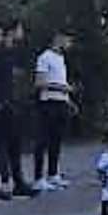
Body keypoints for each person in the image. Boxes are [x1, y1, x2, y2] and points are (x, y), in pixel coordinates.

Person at [0, 23, 33, 200]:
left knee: (13, 146)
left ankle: (17, 183)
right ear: (12, 32)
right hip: (0, 107)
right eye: (19, 30)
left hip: (9, 106)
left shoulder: (9, 54)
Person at [33, 31, 73, 189]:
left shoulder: (61, 58)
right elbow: (40, 83)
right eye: (67, 40)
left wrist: (68, 100)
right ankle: (38, 178)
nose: (69, 44)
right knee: (43, 140)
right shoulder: (44, 57)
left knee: (56, 140)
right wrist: (61, 88)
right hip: (48, 102)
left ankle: (53, 173)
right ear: (59, 39)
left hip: (61, 102)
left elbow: (61, 80)